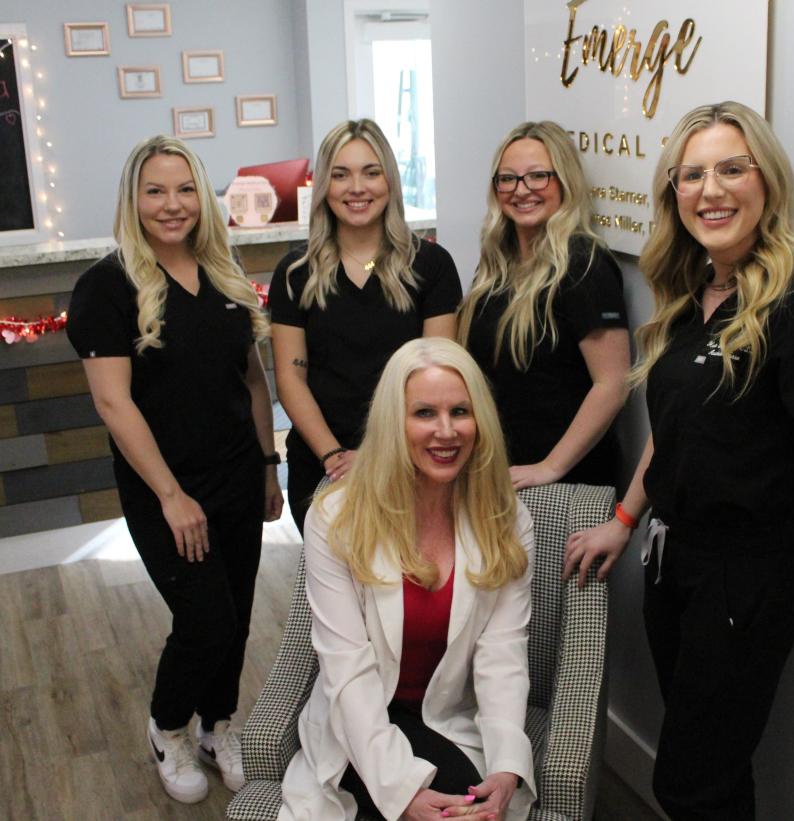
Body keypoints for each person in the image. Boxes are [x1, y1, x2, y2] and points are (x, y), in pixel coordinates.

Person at [563, 101, 794, 819]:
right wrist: (625, 517)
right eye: (693, 174)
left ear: (768, 181)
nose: (712, 190)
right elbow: (672, 432)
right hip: (674, 563)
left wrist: (781, 539)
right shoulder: (688, 297)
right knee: (714, 770)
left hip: (744, 578)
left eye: (733, 168)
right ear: (673, 192)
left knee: (689, 783)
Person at [66, 135, 284, 804]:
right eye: (155, 190)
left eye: (185, 189)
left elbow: (250, 377)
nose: (172, 204)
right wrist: (169, 493)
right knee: (205, 619)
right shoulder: (107, 285)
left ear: (203, 198)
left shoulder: (223, 271)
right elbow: (112, 400)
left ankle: (219, 723)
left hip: (238, 476)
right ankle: (168, 726)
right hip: (168, 490)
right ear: (134, 199)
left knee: (239, 613)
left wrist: (269, 463)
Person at [278, 337, 537, 821]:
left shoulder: (507, 518)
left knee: (473, 809)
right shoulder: (337, 517)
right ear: (393, 423)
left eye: (460, 411)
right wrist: (400, 792)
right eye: (423, 413)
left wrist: (506, 767)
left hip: (442, 716)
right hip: (359, 722)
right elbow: (346, 668)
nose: (446, 432)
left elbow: (503, 654)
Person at [270, 119, 462, 535]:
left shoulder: (431, 265)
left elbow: (437, 376)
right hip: (323, 467)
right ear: (324, 186)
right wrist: (334, 456)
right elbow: (290, 378)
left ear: (390, 182)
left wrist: (380, 455)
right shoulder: (294, 274)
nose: (357, 187)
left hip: (413, 462)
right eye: (341, 174)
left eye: (371, 172)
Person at [458, 121, 630, 489]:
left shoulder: (584, 263)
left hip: (565, 483)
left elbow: (612, 383)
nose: (522, 191)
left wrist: (551, 466)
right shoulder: (496, 265)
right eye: (508, 179)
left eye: (538, 176)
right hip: (501, 475)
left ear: (564, 181)